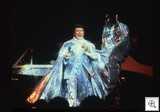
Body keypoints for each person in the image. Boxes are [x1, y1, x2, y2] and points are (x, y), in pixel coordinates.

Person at [26, 15, 130, 107]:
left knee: (83, 92)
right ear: (74, 33)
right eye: (77, 31)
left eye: (81, 31)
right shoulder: (67, 44)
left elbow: (94, 56)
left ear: (84, 32)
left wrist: (88, 50)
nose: (79, 32)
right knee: (71, 92)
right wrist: (65, 58)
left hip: (84, 72)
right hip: (70, 72)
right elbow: (60, 59)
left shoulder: (89, 44)